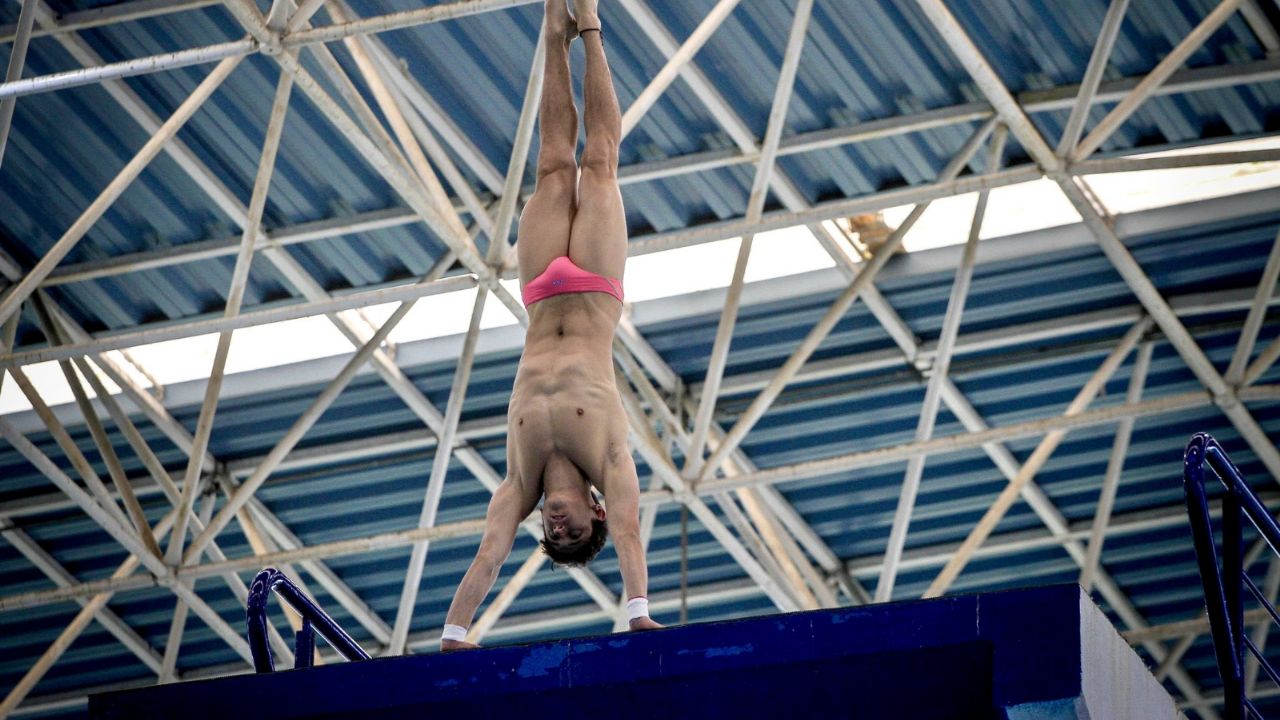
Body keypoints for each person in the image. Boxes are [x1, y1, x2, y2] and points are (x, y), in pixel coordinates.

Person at [439, 0, 662, 651]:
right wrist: (637, 612)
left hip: (540, 293)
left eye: (552, 535)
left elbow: (489, 553)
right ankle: (589, 24)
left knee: (553, 164)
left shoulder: (520, 481)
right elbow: (630, 534)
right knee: (600, 164)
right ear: (594, 509)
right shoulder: (609, 462)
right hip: (594, 285)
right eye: (574, 532)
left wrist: (456, 633)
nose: (559, 528)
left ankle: (550, 31)